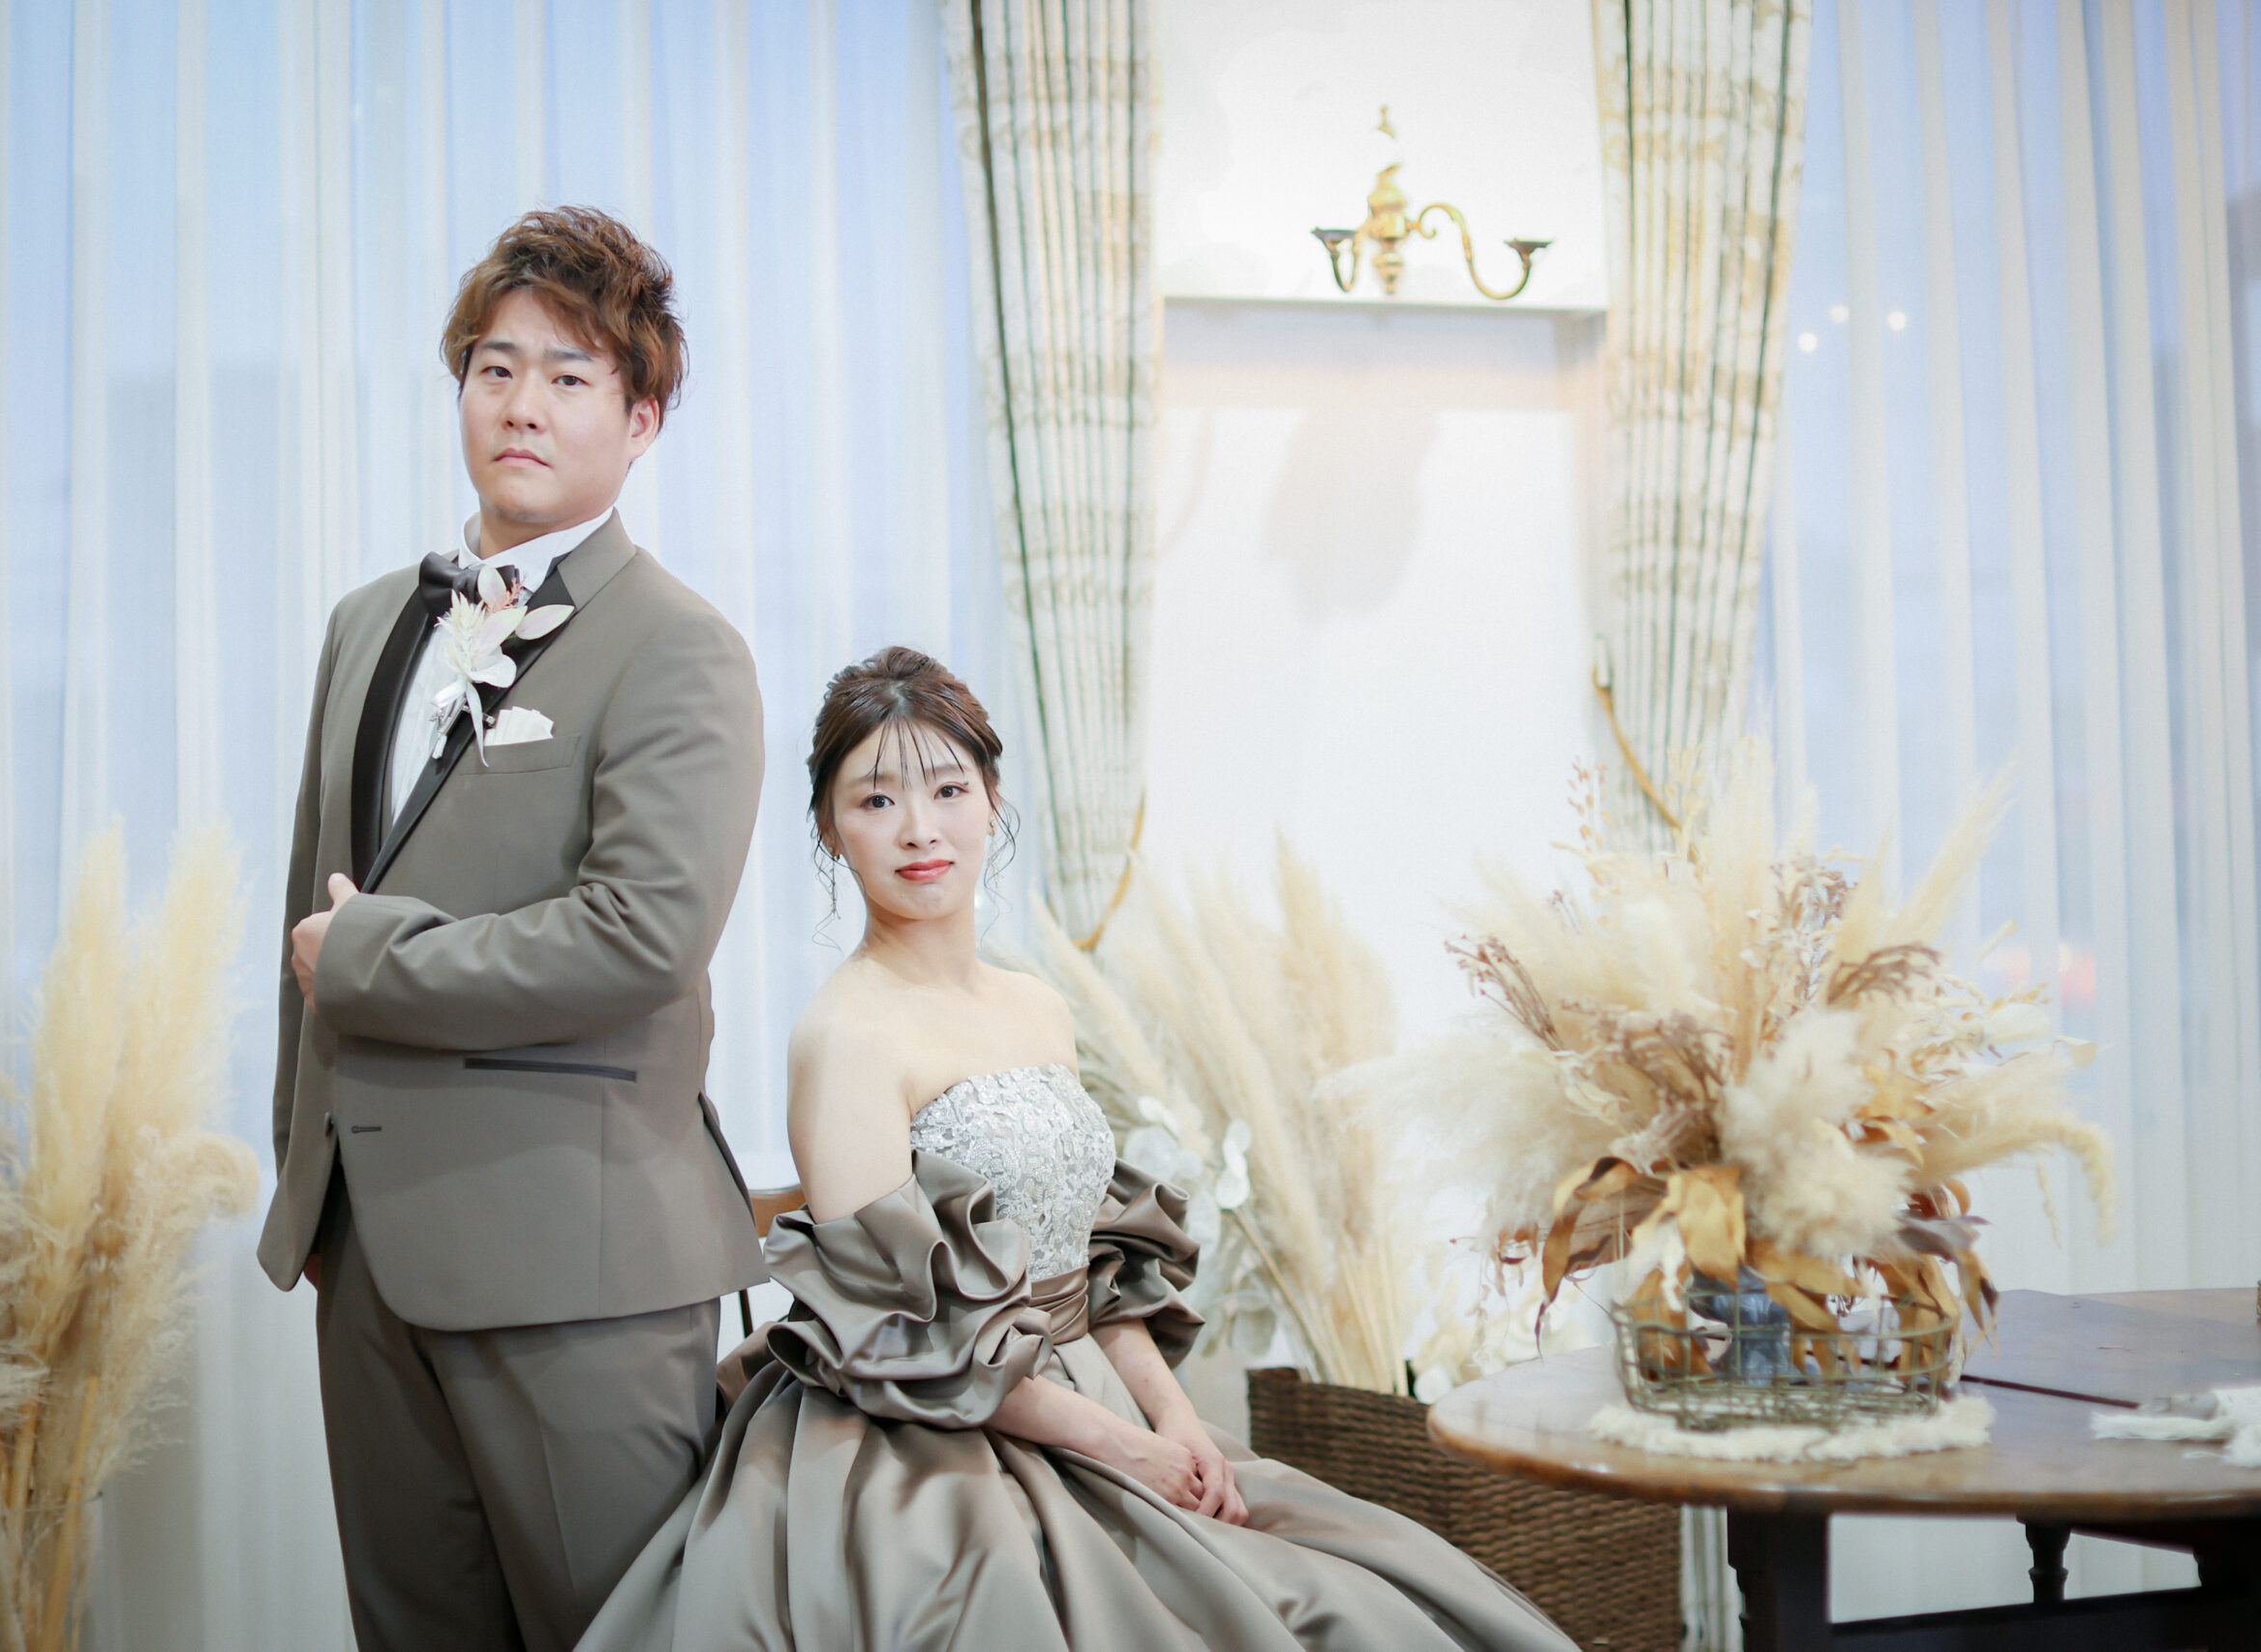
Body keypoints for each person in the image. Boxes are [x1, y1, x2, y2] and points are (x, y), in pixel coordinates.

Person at [576, 647, 1576, 1651]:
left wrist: (1171, 1419)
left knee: (1368, 1591)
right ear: (831, 832)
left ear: (992, 799)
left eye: (948, 789)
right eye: (876, 800)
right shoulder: (845, 1036)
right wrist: (1119, 1447)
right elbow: (901, 1331)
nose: (920, 828)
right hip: (930, 1437)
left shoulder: (1037, 1007)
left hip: (1090, 1389)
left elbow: (1090, 1265)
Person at [256, 206, 767, 1652]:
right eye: (494, 368)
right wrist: (308, 1176)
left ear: (641, 419)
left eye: (568, 374)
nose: (521, 404)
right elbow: (311, 893)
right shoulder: (369, 620)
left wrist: (375, 961)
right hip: (368, 1245)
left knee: (618, 1632)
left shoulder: (679, 645)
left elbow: (640, 933)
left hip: (576, 1268)